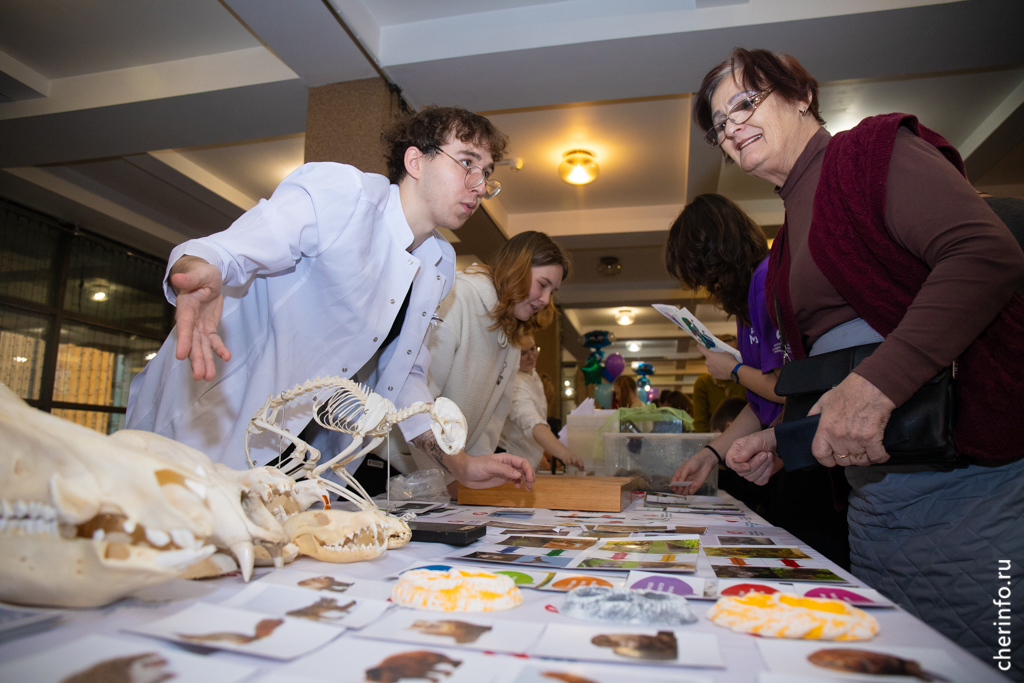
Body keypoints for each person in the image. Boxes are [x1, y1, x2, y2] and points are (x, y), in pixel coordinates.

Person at [693, 47, 1024, 662]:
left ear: (800, 96)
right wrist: (787, 439)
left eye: (746, 102)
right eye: (720, 125)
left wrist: (878, 387)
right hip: (877, 499)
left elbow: (986, 255)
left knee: (990, 654)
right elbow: (841, 366)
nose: (732, 127)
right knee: (901, 662)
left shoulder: (868, 153)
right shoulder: (789, 230)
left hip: (965, 484)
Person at [126, 106, 535, 492]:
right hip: (209, 425)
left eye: (486, 173)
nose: (479, 186)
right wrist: (202, 266)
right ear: (416, 161)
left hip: (298, 459)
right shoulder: (344, 196)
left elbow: (406, 375)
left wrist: (457, 463)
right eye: (466, 163)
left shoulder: (439, 263)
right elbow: (231, 249)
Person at [410, 231, 570, 492]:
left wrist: (470, 476)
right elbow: (418, 402)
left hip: (445, 477)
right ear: (517, 268)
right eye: (543, 284)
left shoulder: (512, 337)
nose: (545, 300)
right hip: (396, 470)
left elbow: (489, 425)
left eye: (553, 291)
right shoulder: (458, 297)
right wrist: (455, 472)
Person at [499, 334, 585, 471]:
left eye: (533, 349)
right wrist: (564, 454)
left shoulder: (532, 373)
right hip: (512, 461)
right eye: (524, 353)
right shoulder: (514, 384)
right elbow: (534, 424)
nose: (531, 356)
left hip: (530, 460)